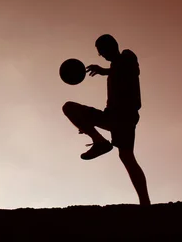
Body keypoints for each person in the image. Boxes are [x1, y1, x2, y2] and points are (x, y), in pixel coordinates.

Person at [62, 34, 151, 206]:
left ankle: (145, 202)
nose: (101, 55)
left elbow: (130, 68)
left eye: (102, 51)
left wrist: (104, 71)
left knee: (127, 156)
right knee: (70, 108)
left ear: (111, 46)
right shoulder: (115, 67)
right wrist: (86, 125)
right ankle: (99, 141)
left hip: (125, 116)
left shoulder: (127, 56)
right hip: (111, 116)